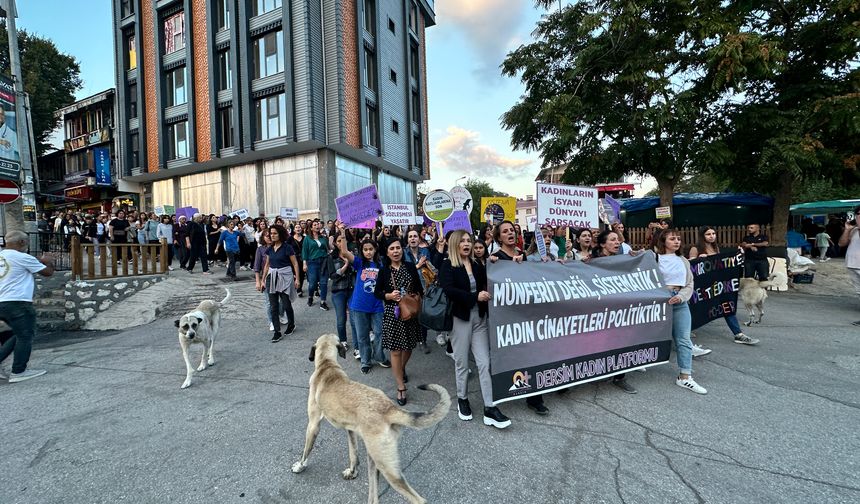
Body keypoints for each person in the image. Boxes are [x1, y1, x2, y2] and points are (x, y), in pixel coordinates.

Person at [440, 230, 511, 429]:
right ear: (454, 244)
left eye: (468, 240)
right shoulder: (448, 265)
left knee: (484, 363)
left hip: (479, 318)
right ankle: (462, 398)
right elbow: (449, 290)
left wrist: (501, 262)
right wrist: (474, 297)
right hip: (460, 319)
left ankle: (490, 407)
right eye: (462, 241)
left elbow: (489, 281)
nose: (467, 244)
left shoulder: (478, 264)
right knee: (462, 363)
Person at [489, 221, 551, 414]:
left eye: (512, 231)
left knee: (532, 353)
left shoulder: (524, 256)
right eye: (505, 231)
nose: (510, 234)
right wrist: (492, 264)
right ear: (499, 237)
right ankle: (502, 390)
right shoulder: (495, 259)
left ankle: (535, 398)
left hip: (527, 314)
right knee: (509, 356)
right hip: (506, 317)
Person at [655, 228, 708, 394]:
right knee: (647, 335)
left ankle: (685, 377)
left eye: (678, 239)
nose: (676, 241)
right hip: (659, 302)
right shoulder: (654, 258)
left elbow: (690, 284)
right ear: (663, 241)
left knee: (683, 339)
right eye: (672, 239)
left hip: (679, 301)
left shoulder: (683, 260)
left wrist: (681, 297)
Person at [688, 226, 759, 345]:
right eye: (708, 234)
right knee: (697, 308)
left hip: (717, 286)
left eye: (713, 233)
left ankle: (738, 334)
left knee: (727, 307)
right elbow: (689, 265)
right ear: (702, 236)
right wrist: (698, 259)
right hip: (703, 287)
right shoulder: (695, 248)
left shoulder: (715, 247)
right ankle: (686, 330)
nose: (712, 236)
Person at [0, 231, 55, 383]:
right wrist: (48, 260)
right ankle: (19, 371)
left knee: (14, 335)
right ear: (22, 243)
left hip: (1, 302)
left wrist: (39, 260)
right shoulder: (22, 257)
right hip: (18, 302)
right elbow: (47, 272)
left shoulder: (3, 256)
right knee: (25, 336)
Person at [374, 238, 424, 406]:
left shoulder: (410, 267)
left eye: (398, 248)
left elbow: (419, 288)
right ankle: (400, 386)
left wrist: (414, 297)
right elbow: (377, 293)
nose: (396, 251)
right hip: (392, 314)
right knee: (395, 351)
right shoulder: (384, 271)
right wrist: (388, 296)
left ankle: (400, 368)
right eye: (392, 249)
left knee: (409, 347)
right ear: (387, 252)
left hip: (409, 313)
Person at [591, 229, 638, 394]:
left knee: (622, 341)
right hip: (600, 310)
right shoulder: (591, 262)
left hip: (619, 309)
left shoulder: (623, 260)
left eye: (618, 240)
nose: (617, 242)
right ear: (603, 244)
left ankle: (620, 377)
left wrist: (637, 257)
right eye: (612, 240)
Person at [340, 237, 389, 372]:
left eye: (371, 249)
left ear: (375, 250)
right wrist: (343, 233)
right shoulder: (359, 263)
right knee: (362, 336)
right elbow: (344, 252)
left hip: (377, 305)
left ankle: (379, 357)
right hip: (359, 305)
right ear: (362, 251)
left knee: (379, 332)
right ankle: (366, 361)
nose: (368, 252)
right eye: (365, 249)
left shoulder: (381, 265)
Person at [261, 224, 300, 342]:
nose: (272, 236)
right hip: (271, 278)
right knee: (273, 306)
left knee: (286, 304)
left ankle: (291, 324)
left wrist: (297, 279)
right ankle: (277, 332)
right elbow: (267, 265)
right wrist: (262, 280)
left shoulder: (287, 247)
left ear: (280, 234)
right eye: (271, 234)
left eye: (274, 233)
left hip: (285, 277)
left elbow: (295, 264)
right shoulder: (269, 249)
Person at [327, 233, 354, 347]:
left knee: (354, 318)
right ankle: (343, 340)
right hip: (338, 291)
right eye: (338, 241)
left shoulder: (353, 254)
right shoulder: (331, 257)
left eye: (342, 240)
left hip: (352, 289)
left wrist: (350, 260)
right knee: (341, 318)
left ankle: (358, 342)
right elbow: (333, 276)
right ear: (335, 243)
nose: (341, 243)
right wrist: (346, 265)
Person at [838, 205, 860, 326]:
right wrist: (847, 229)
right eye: (858, 214)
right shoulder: (854, 230)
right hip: (852, 264)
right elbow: (841, 243)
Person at [303, 219, 330, 310]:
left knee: (323, 283)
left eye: (318, 224)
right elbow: (305, 251)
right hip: (312, 263)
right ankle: (310, 297)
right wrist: (304, 264)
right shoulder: (307, 238)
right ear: (311, 227)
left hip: (323, 262)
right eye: (314, 225)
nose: (317, 226)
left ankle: (323, 302)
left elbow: (328, 249)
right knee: (312, 284)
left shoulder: (323, 237)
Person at [254, 230, 276, 331]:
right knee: (269, 302)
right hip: (266, 278)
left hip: (280, 276)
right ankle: (271, 321)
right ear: (263, 238)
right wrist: (258, 281)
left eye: (270, 235)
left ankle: (280, 314)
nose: (269, 238)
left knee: (281, 300)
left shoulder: (278, 247)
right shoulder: (260, 250)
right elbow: (257, 267)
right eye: (266, 236)